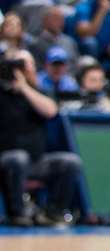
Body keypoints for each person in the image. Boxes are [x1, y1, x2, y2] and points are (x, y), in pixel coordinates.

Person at [0, 50, 83, 228]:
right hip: (6, 160)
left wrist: (24, 87)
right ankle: (18, 214)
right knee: (18, 158)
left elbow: (51, 110)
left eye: (25, 64)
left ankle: (53, 212)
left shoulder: (40, 92)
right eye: (16, 64)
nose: (20, 69)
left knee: (70, 162)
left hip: (36, 161)